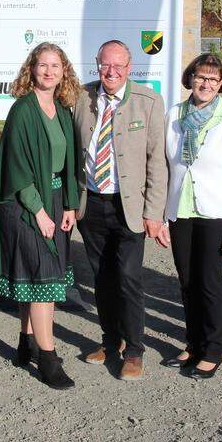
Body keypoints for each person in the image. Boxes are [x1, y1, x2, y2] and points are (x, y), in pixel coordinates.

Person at [72, 40, 168, 382]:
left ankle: (135, 350)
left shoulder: (148, 102)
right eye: (104, 66)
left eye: (118, 66)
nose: (110, 72)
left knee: (128, 278)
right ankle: (110, 342)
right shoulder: (81, 98)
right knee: (102, 279)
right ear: (96, 64)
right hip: (92, 204)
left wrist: (154, 211)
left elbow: (158, 161)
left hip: (129, 207)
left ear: (129, 68)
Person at [0, 42, 82, 390]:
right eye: (42, 65)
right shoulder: (23, 110)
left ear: (64, 72)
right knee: (44, 280)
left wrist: (69, 205)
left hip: (56, 200)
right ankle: (48, 357)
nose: (48, 71)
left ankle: (26, 342)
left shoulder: (61, 108)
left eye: (55, 66)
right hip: (28, 203)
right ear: (32, 69)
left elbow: (70, 162)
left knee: (37, 274)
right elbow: (16, 169)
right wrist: (40, 211)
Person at [162, 54, 222, 379]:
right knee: (187, 281)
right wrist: (162, 215)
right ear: (191, 78)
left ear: (221, 86)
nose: (206, 84)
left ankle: (213, 348)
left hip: (216, 214)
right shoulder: (174, 115)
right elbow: (166, 166)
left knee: (210, 283)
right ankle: (194, 342)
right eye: (201, 77)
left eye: (213, 80)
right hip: (181, 211)